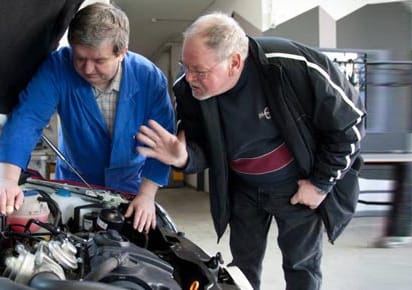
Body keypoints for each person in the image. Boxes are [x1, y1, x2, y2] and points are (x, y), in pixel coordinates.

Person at [135, 12, 366, 290]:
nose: (190, 77)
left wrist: (320, 184)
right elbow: (203, 148)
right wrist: (183, 157)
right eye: (186, 66)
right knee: (241, 269)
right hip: (242, 188)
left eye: (199, 71)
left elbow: (349, 125)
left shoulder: (290, 65)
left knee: (301, 265)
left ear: (234, 62)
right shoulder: (190, 91)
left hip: (296, 187)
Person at [0, 2, 175, 233]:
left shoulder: (149, 78)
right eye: (80, 58)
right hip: (74, 185)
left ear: (122, 53)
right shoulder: (58, 67)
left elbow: (162, 142)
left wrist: (146, 194)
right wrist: (8, 179)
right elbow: (28, 119)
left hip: (130, 186)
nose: (88, 69)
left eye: (99, 61)